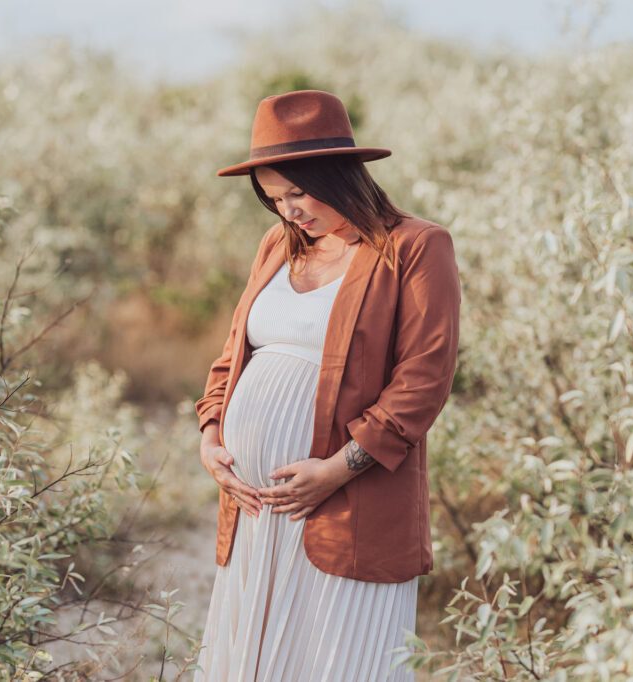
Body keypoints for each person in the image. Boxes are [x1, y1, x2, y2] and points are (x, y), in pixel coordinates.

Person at [194, 89, 460, 682]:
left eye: (297, 192)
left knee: (339, 655)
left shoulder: (415, 247)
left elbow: (424, 378)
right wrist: (211, 435)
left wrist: (339, 467)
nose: (289, 211)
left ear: (340, 175)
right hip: (256, 507)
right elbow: (231, 357)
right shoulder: (276, 247)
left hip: (351, 498)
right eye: (272, 198)